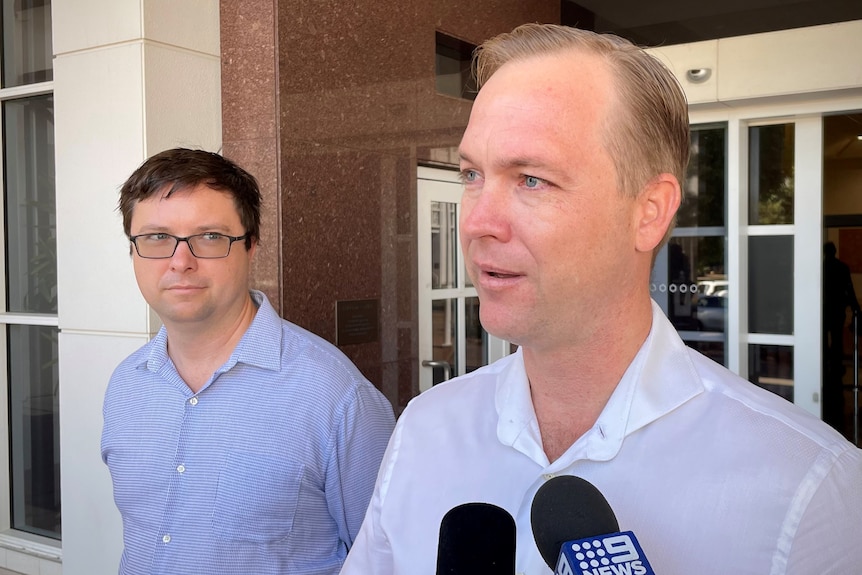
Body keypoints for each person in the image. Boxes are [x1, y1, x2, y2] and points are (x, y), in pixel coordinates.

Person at [340, 23, 862, 574]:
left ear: (649, 211)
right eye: (472, 174)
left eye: (531, 179)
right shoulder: (426, 429)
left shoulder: (806, 490)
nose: (476, 222)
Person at [101, 148, 395, 575]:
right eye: (157, 238)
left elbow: (390, 558)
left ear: (251, 245)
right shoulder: (126, 385)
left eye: (210, 237)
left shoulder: (337, 398)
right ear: (133, 250)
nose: (180, 261)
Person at [822, 240, 860, 432]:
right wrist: (855, 308)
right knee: (836, 339)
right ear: (835, 251)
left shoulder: (820, 267)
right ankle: (835, 363)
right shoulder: (842, 267)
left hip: (824, 311)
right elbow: (849, 289)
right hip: (837, 310)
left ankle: (825, 362)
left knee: (823, 340)